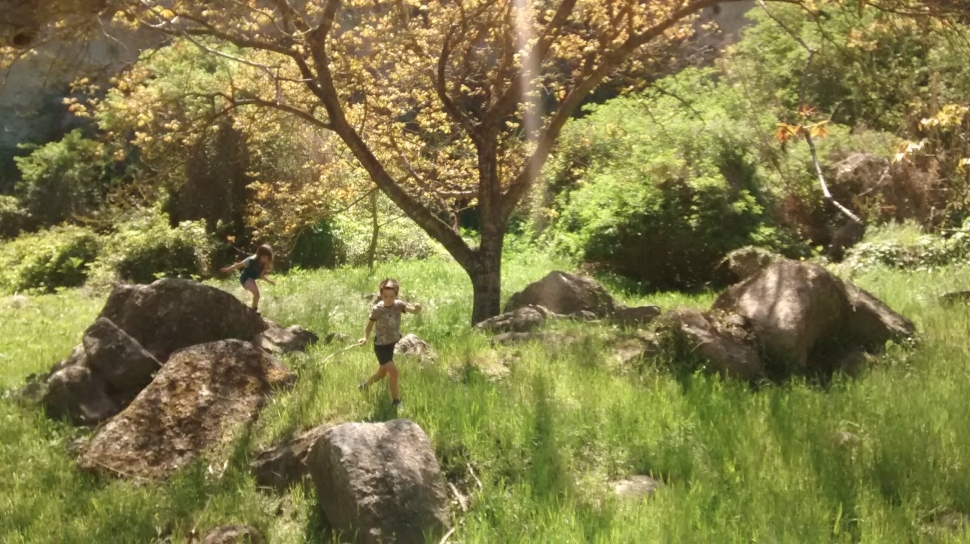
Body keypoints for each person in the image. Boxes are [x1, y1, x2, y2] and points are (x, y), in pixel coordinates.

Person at [358, 278, 421, 408]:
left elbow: (413, 311)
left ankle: (364, 386)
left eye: (391, 296)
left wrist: (417, 309)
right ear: (381, 295)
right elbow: (369, 325)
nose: (388, 299)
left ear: (396, 295)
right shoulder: (377, 309)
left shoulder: (399, 305)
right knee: (393, 372)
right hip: (381, 346)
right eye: (385, 296)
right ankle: (396, 401)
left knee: (382, 373)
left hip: (392, 344)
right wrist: (365, 337)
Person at [221, 244, 276, 313]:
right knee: (256, 293)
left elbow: (262, 276)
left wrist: (270, 281)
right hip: (245, 278)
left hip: (252, 280)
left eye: (267, 258)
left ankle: (254, 309)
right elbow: (238, 265)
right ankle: (253, 310)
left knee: (257, 296)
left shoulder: (264, 264)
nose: (265, 259)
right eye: (264, 257)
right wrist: (227, 269)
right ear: (259, 256)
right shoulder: (250, 260)